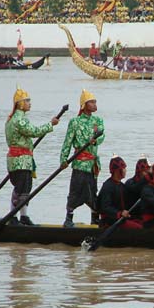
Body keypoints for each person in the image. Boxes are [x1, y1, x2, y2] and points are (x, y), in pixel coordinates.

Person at [5, 87, 60, 225]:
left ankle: (23, 216)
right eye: (27, 101)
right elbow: (34, 132)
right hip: (21, 160)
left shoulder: (11, 119)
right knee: (20, 189)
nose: (30, 103)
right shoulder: (19, 120)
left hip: (19, 160)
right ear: (20, 103)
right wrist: (50, 124)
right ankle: (13, 217)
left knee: (25, 188)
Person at [60, 89, 105, 227]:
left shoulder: (98, 120)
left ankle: (94, 218)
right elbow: (67, 141)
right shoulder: (75, 122)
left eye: (95, 102)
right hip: (79, 163)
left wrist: (95, 140)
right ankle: (68, 218)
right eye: (91, 102)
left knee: (93, 191)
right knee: (75, 190)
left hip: (92, 164)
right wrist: (63, 159)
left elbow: (102, 135)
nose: (94, 104)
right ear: (84, 105)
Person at [96, 156, 142, 229]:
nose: (125, 171)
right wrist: (119, 213)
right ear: (117, 171)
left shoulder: (122, 186)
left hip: (121, 218)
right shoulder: (107, 186)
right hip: (110, 221)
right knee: (138, 228)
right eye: (123, 168)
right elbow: (105, 207)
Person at [124, 156, 151, 224]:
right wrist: (147, 177)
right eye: (145, 171)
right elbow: (136, 189)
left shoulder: (149, 183)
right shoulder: (130, 183)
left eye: (148, 171)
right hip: (132, 216)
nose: (146, 174)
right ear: (139, 171)